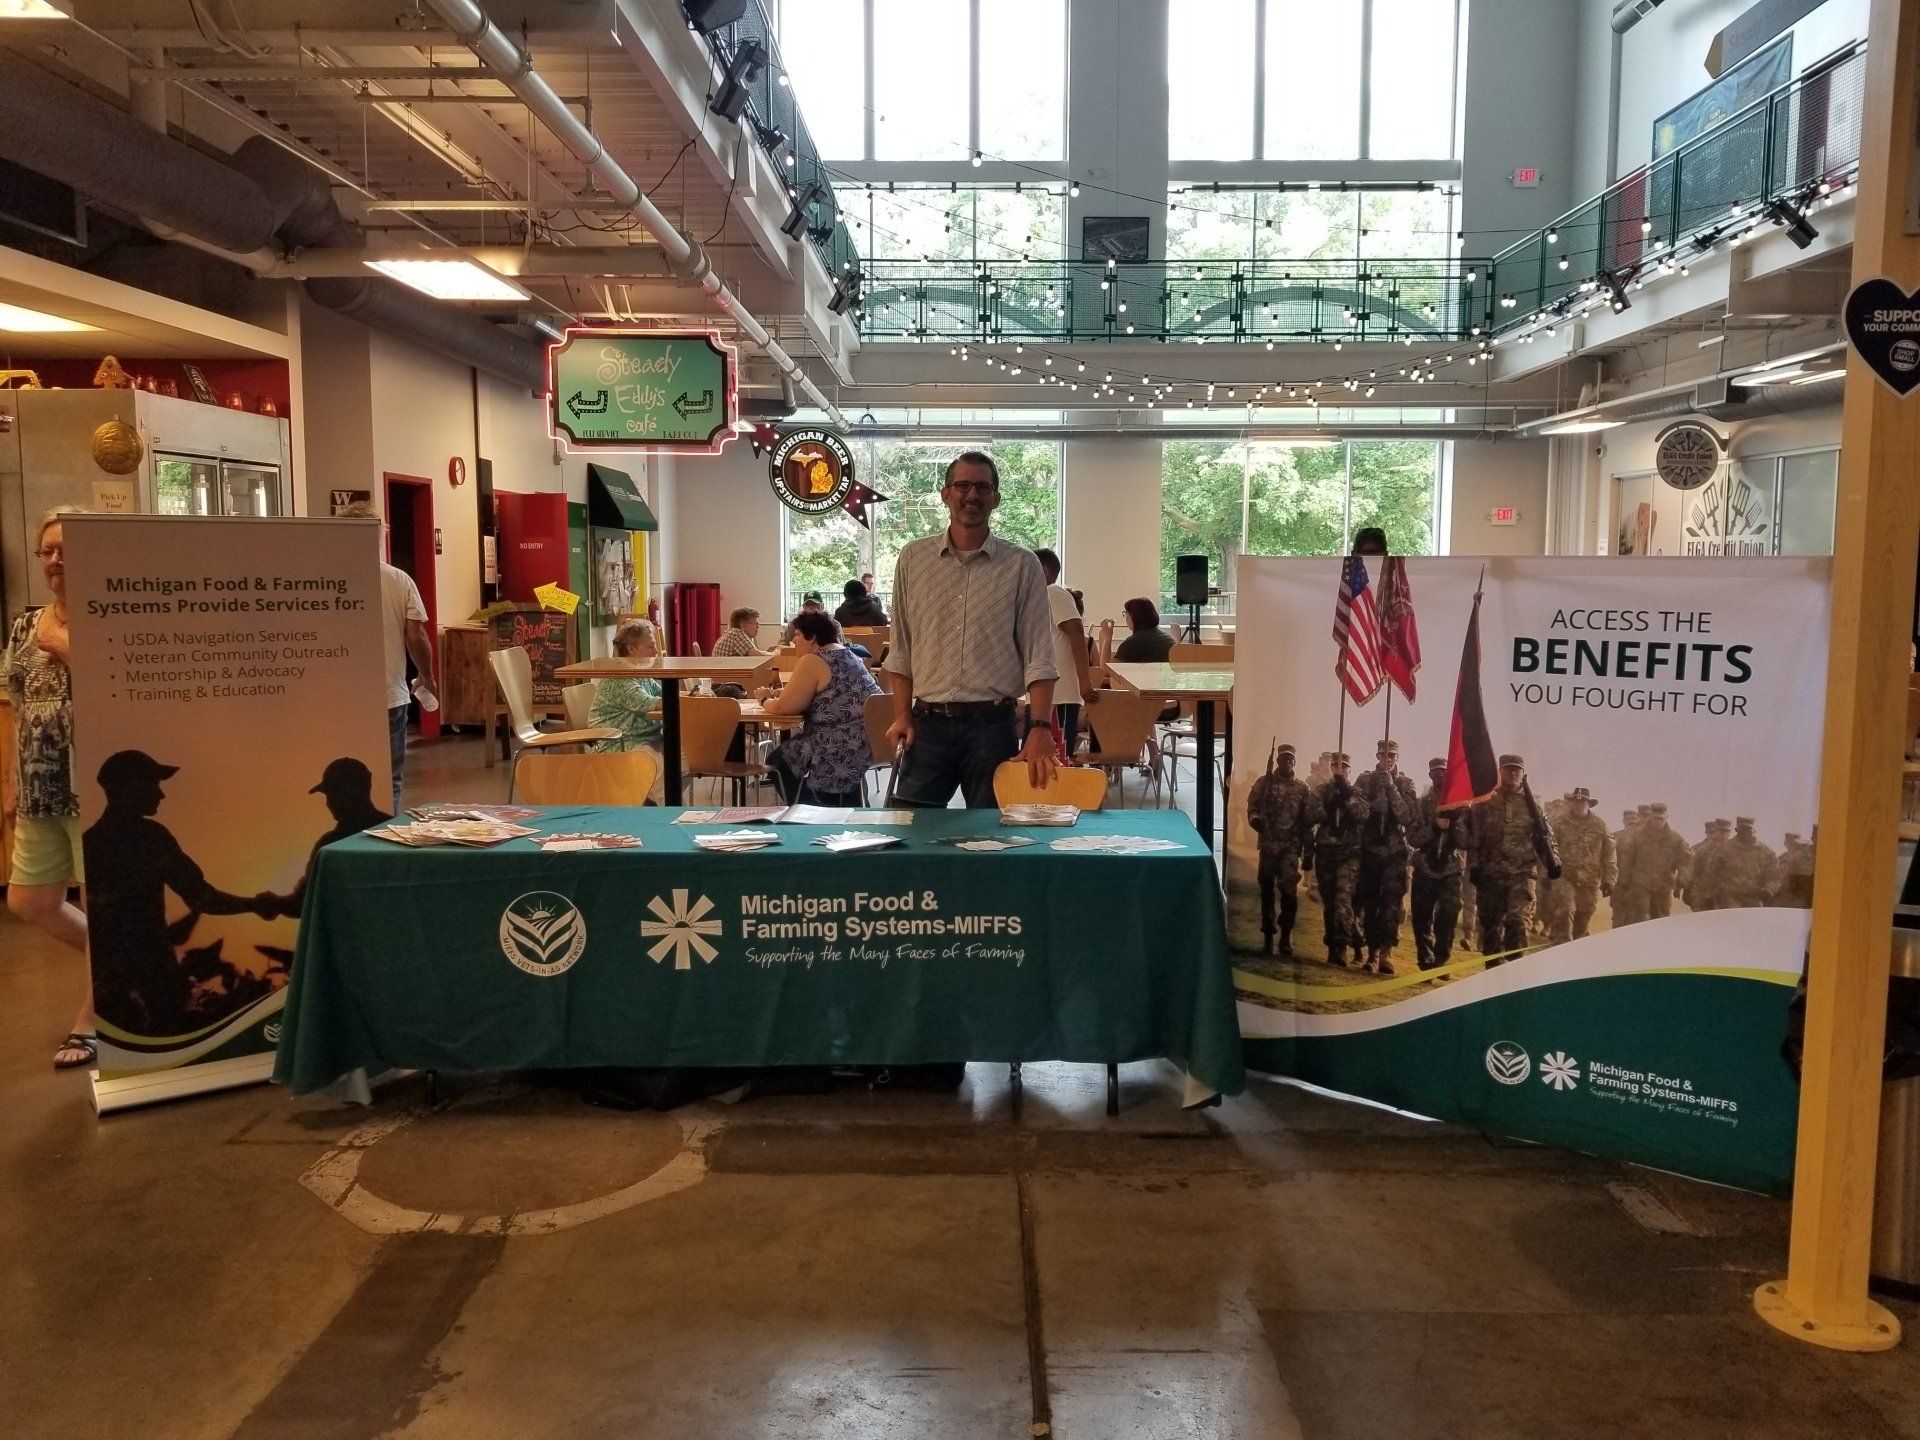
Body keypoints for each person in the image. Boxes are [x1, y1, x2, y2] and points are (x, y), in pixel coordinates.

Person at [883, 451, 1060, 808]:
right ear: (945, 494)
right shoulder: (913, 559)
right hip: (926, 726)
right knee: (907, 836)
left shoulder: (1021, 565)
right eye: (962, 485)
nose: (972, 495)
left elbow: (1040, 655)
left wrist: (1040, 730)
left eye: (982, 487)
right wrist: (902, 714)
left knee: (993, 840)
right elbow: (901, 648)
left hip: (992, 728)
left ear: (995, 497)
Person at [82, 750, 277, 1037]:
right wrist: (257, 905)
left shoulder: (91, 842)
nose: (160, 795)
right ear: (129, 788)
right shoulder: (150, 837)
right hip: (153, 975)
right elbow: (203, 897)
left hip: (108, 973)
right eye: (153, 784)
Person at [3, 507, 95, 1068]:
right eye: (47, 551)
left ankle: (90, 1021)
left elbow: (122, 691)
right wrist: (12, 776)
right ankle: (119, 961)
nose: (56, 560)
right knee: (30, 900)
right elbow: (14, 701)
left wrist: (65, 647)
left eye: (67, 549)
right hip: (41, 786)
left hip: (92, 788)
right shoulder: (24, 624)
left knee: (102, 905)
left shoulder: (113, 618)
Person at [340, 501, 436, 812]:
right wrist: (427, 677)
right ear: (379, 534)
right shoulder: (398, 580)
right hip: (388, 695)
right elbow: (415, 636)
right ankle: (383, 841)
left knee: (345, 777)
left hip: (341, 700)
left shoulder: (323, 579)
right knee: (389, 778)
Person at [754, 611, 881, 806]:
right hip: (868, 739)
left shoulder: (813, 660)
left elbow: (783, 708)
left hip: (836, 743)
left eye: (797, 634)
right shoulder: (848, 653)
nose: (794, 640)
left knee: (777, 761)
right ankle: (819, 805)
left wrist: (763, 699)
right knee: (785, 756)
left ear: (812, 637)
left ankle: (808, 811)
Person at [265, 757, 392, 919]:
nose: (328, 803)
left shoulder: (331, 846)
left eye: (331, 794)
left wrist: (274, 903)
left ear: (346, 793)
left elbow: (302, 903)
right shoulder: (396, 829)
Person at [1468, 754, 1560, 963]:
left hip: (1522, 873)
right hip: (1491, 873)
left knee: (1517, 923)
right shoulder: (1485, 800)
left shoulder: (1532, 805)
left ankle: (1514, 969)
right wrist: (1473, 865)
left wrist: (1553, 863)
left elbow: (1547, 836)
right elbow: (1475, 835)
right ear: (1500, 772)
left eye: (1517, 770)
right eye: (1509, 769)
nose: (1513, 773)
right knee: (1490, 927)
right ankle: (1493, 971)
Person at [1355, 738, 1418, 974]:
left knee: (1392, 905)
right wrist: (1373, 802)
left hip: (1395, 853)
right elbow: (1357, 812)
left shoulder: (1405, 782)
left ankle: (1386, 954)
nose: (1387, 759)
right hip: (1370, 851)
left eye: (1392, 755)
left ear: (1397, 758)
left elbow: (1407, 817)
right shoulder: (1364, 779)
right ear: (1377, 756)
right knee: (1371, 904)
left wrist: (1391, 789)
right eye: (1384, 755)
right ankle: (1371, 954)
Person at [586, 619, 667, 802]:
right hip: (617, 743)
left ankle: (662, 805)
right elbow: (653, 703)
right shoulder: (620, 678)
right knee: (659, 767)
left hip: (646, 738)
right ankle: (674, 819)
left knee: (683, 757)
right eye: (650, 646)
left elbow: (664, 696)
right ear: (631, 649)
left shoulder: (639, 674)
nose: (655, 651)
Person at [1246, 741, 1313, 956]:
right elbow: (1252, 807)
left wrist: (1308, 850)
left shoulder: (1303, 789)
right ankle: (1268, 936)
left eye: (1291, 758)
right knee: (1266, 893)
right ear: (1277, 760)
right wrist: (1255, 821)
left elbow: (1307, 821)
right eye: (1284, 758)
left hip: (1290, 850)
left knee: (1289, 894)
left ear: (1295, 761)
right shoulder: (1263, 783)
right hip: (1268, 846)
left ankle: (1285, 937)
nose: (1288, 761)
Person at [1034, 548, 1098, 757]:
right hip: (1049, 697)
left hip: (1059, 696)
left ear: (1043, 570)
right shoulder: (1043, 597)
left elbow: (1076, 631)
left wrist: (1084, 680)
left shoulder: (1053, 592)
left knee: (1056, 761)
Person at [1308, 752, 1369, 967]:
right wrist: (1328, 806)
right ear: (1331, 768)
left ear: (1350, 769)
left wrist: (1347, 796)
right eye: (1336, 766)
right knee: (1330, 902)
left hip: (1349, 853)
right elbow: (1311, 815)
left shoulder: (1357, 792)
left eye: (1344, 767)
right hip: (1326, 851)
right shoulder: (1321, 790)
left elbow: (1363, 815)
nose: (1340, 770)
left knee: (1343, 899)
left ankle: (1342, 946)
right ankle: (1333, 945)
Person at [1408, 757, 1467, 972]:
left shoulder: (1461, 804)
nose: (1440, 776)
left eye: (1444, 772)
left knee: (1448, 916)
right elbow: (1413, 838)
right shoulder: (1422, 803)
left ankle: (1441, 959)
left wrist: (1455, 822)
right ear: (1429, 775)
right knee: (1422, 917)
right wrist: (1434, 827)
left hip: (1451, 868)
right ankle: (1425, 959)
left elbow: (1465, 842)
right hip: (1425, 866)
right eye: (1435, 772)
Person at [1543, 786, 1616, 943]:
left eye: (1583, 801)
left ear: (1589, 804)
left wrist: (1610, 879)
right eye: (1576, 801)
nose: (1579, 804)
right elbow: (1548, 851)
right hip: (1564, 876)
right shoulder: (1559, 823)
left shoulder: (1600, 825)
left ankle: (1578, 946)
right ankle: (1561, 944)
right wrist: (1546, 874)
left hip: (1589, 879)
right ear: (1572, 803)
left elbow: (1609, 854)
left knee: (1585, 914)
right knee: (1565, 909)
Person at [1614, 801, 1690, 925]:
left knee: (1661, 919)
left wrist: (1681, 880)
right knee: (1642, 918)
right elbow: (1628, 859)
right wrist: (1624, 882)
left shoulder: (1675, 839)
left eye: (1661, 819)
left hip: (1664, 886)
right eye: (1655, 818)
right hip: (1640, 884)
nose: (1658, 821)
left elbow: (1686, 860)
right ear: (1650, 817)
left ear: (1666, 818)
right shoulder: (1637, 836)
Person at [1708, 816, 1778, 907]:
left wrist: (1769, 890)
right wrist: (1710, 895)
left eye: (1749, 829)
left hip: (1755, 897)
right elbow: (1712, 872)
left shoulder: (1766, 851)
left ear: (1754, 830)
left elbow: (1774, 874)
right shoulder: (1724, 849)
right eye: (1742, 828)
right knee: (1733, 919)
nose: (1745, 832)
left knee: (1753, 920)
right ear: (1737, 829)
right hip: (1729, 896)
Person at [1099, 598, 1176, 666]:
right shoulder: (1166, 637)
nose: (1125, 617)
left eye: (1126, 613)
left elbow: (1106, 670)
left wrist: (1107, 638)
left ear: (1133, 617)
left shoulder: (1133, 643)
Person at [1685, 818, 1731, 912]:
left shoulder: (1734, 851)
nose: (1724, 834)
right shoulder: (1702, 851)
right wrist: (1687, 891)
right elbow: (1692, 873)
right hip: (1703, 897)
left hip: (1726, 897)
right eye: (1721, 831)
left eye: (1727, 832)